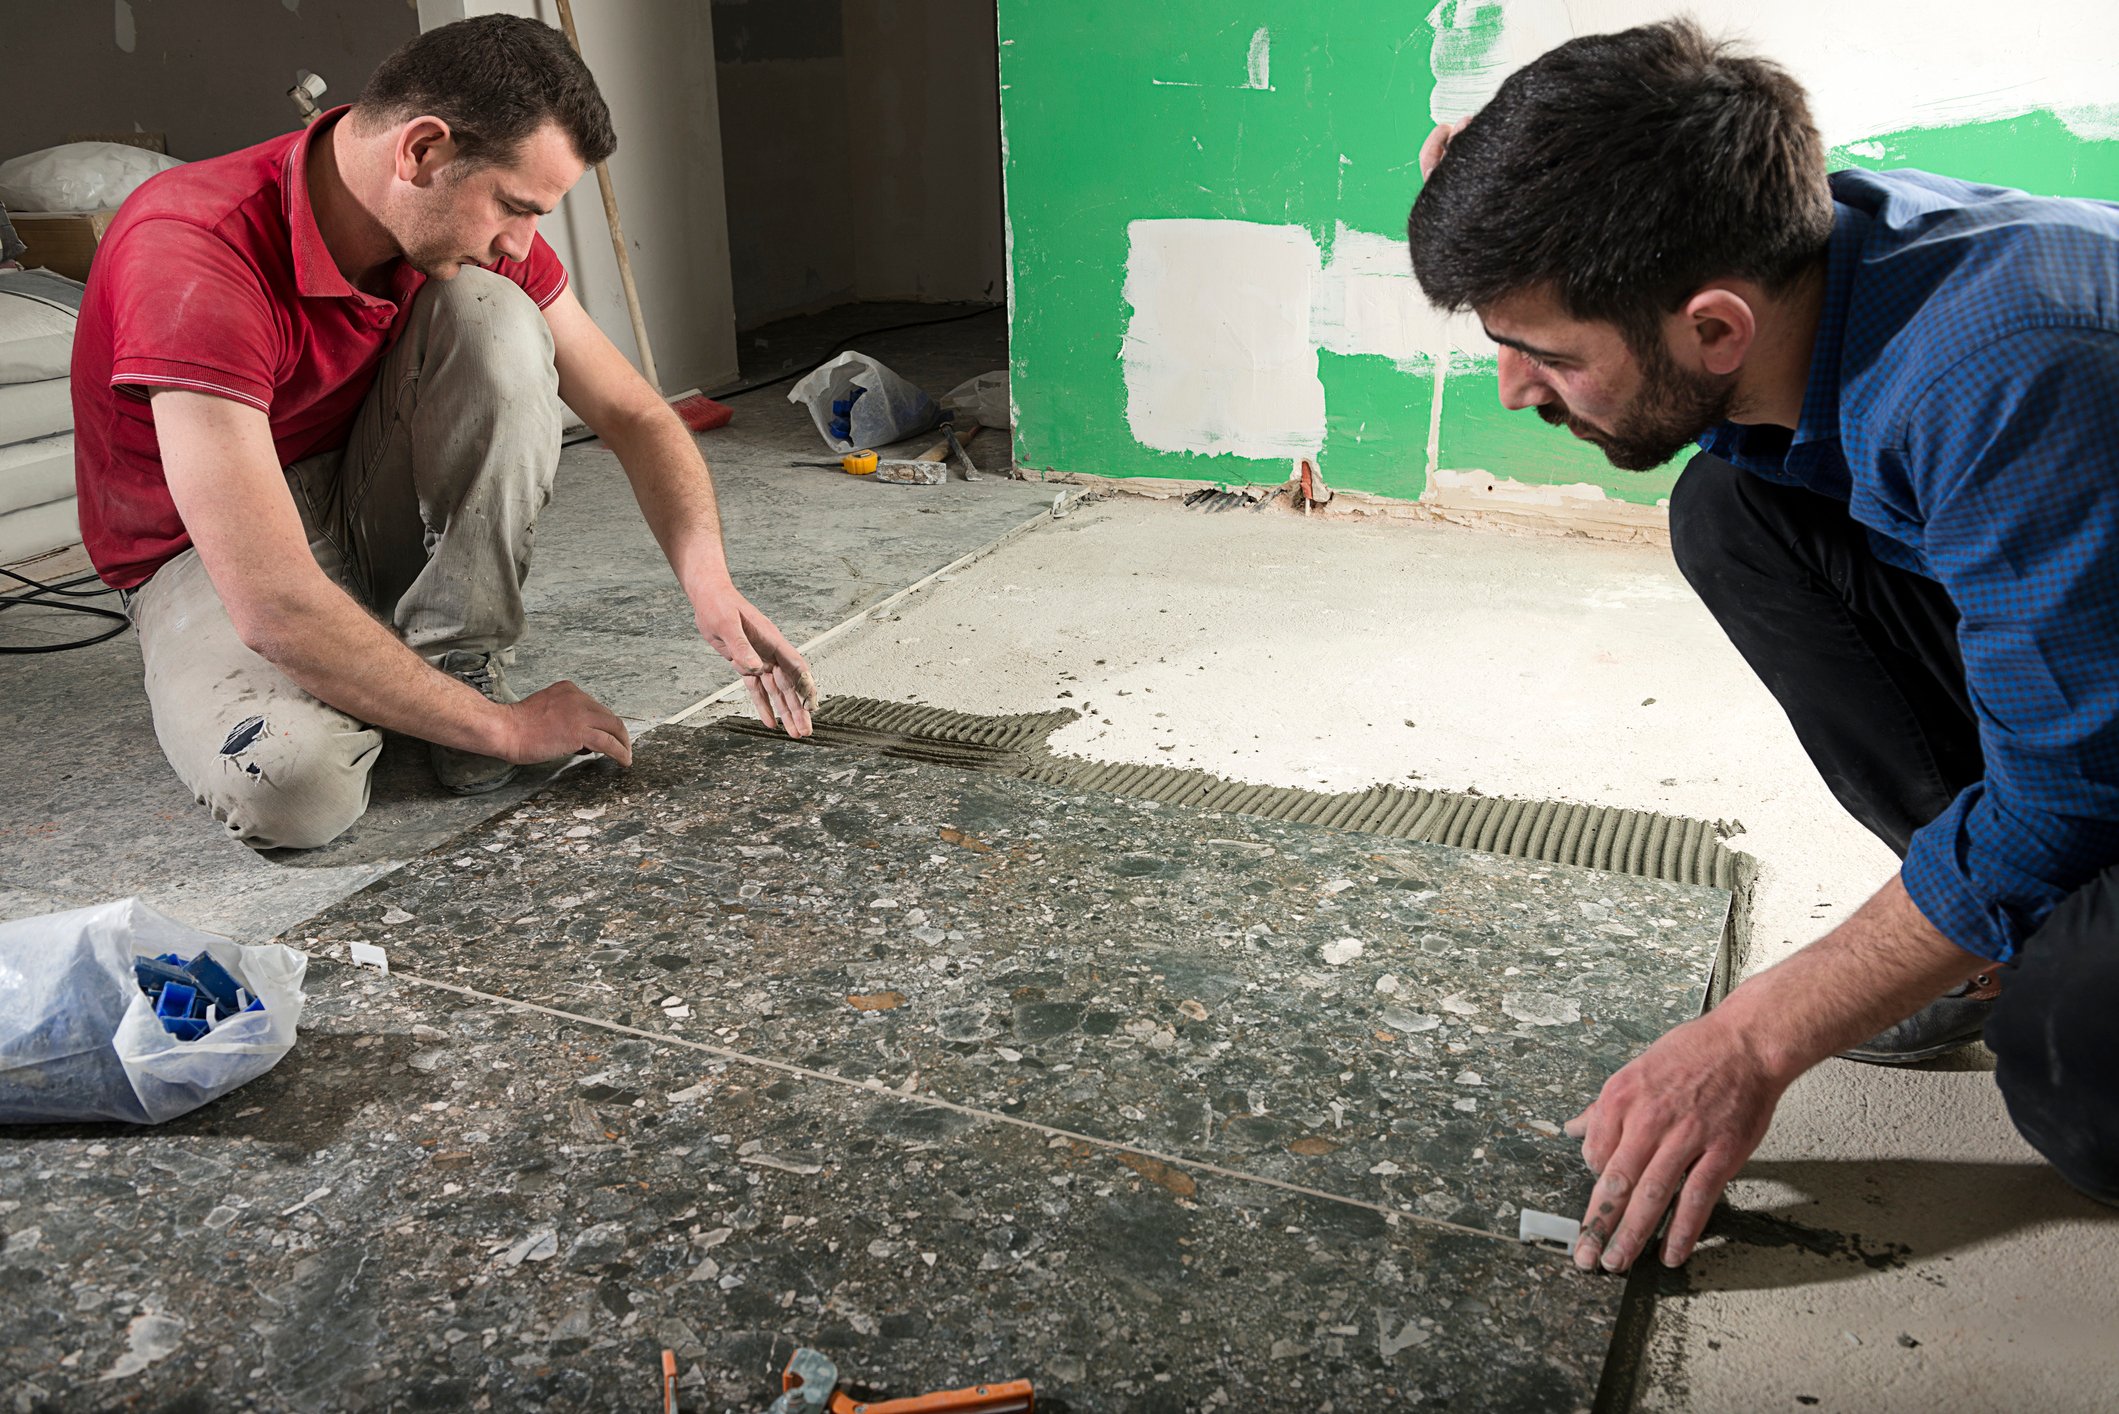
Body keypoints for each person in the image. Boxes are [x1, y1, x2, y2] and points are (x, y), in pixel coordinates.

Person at [1406, 19, 2119, 1274]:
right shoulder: (1804, 250)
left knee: (2081, 1069)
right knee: (1736, 508)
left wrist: (1754, 1036)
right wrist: (1501, 203)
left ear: (1715, 329)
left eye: (1546, 354)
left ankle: (2034, 962)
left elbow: (2070, 793)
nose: (1516, 389)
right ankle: (1989, 945)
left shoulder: (2005, 377)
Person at [72, 15, 814, 851]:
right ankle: (410, 692)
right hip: (205, 553)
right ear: (422, 151)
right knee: (292, 785)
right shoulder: (194, 249)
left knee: (495, 313)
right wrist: (507, 730)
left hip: (357, 490)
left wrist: (711, 586)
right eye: (513, 207)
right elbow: (273, 601)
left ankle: (452, 657)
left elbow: (636, 413)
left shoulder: (464, 230)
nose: (520, 241)